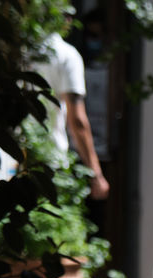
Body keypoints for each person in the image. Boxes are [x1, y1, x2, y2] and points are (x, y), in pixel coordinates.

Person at [34, 30, 109, 200]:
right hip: (47, 156)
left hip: (12, 150)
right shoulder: (67, 55)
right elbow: (77, 121)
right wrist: (96, 174)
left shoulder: (22, 48)